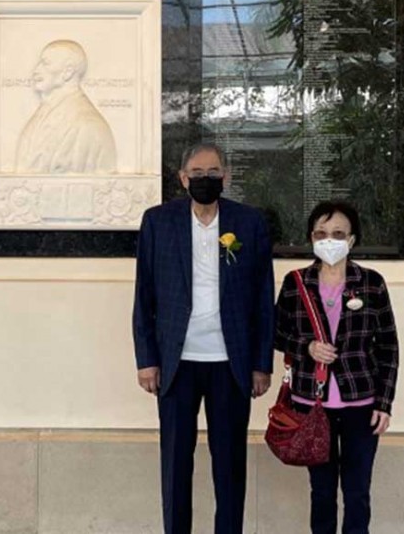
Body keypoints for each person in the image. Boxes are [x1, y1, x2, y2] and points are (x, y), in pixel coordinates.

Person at [132, 143, 275, 534]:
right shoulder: (158, 222)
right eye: (197, 172)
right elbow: (144, 295)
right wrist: (147, 358)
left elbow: (264, 298)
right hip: (177, 362)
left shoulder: (249, 223)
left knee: (229, 465)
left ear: (226, 177)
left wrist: (262, 364)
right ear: (183, 178)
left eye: (213, 172)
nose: (205, 179)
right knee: (176, 464)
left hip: (231, 362)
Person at [273, 201, 399, 534]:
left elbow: (387, 346)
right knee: (322, 492)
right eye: (322, 233)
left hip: (361, 404)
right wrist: (307, 347)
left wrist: (384, 404)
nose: (330, 240)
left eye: (338, 234)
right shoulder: (295, 282)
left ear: (352, 240)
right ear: (311, 238)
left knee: (357, 493)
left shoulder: (371, 283)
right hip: (312, 406)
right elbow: (276, 333)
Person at [14, 39, 117, 174]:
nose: (36, 70)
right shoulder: (45, 111)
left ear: (68, 72)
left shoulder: (88, 125)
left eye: (45, 63)